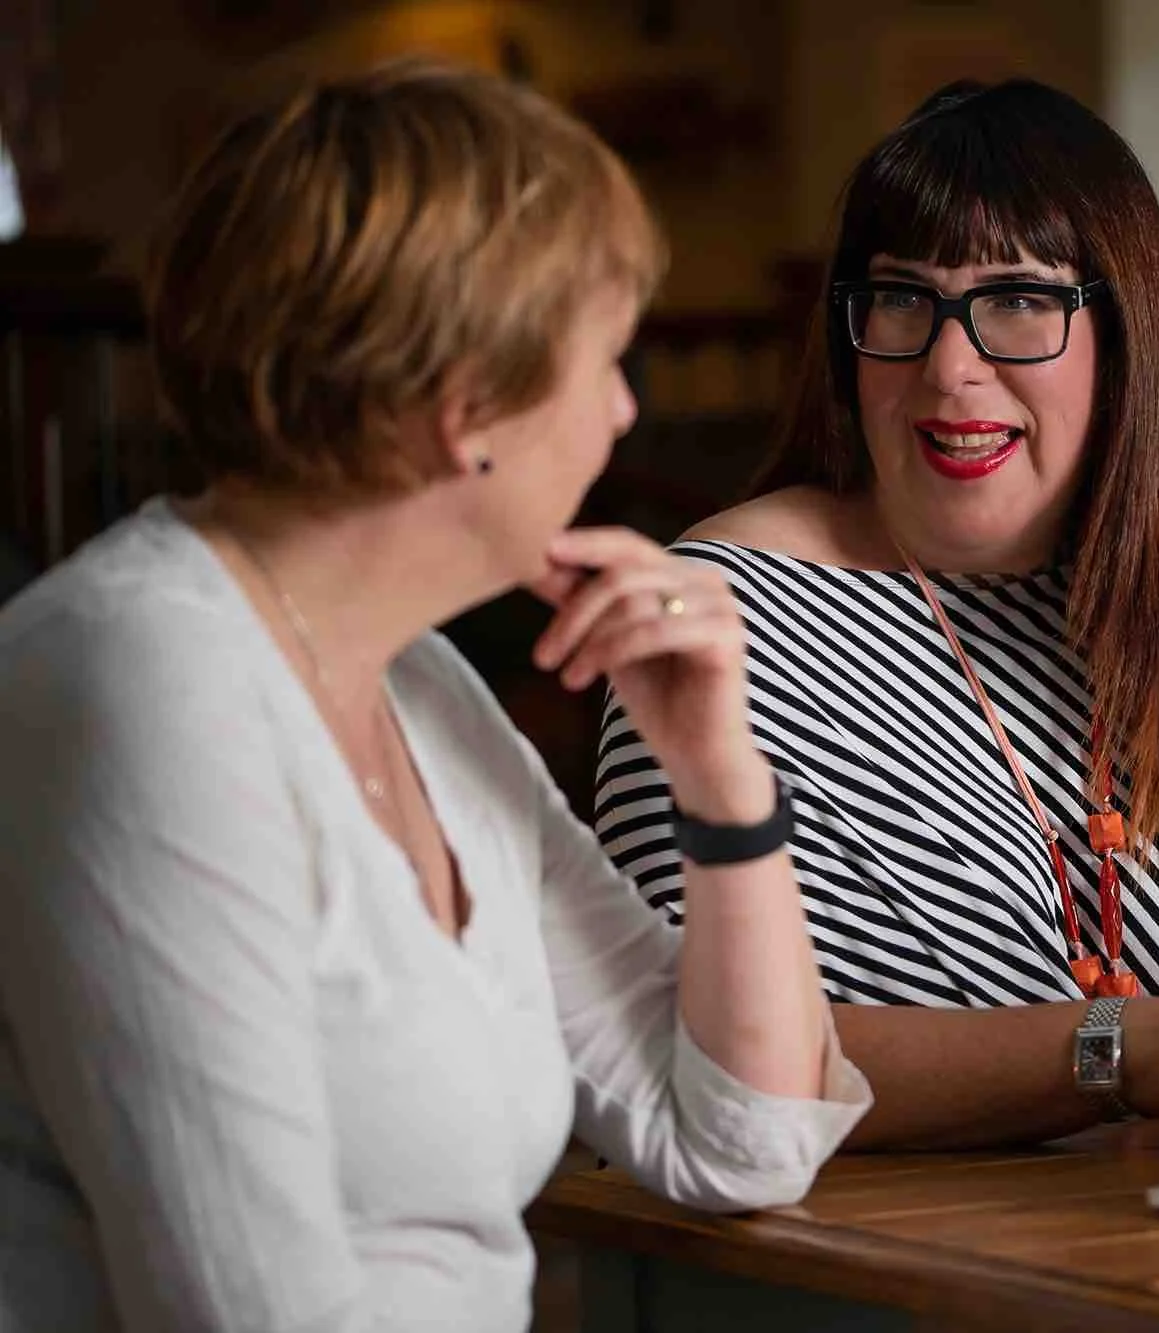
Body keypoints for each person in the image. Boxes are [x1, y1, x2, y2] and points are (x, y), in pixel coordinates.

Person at [0, 61, 868, 1332]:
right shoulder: (142, 684)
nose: (625, 412)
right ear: (468, 413)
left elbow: (741, 1139)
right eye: (605, 360)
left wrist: (723, 783)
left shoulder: (415, 678)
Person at [595, 78, 1159, 1152]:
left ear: (1124, 333)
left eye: (1019, 300)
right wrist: (1129, 1050)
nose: (950, 367)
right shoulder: (715, 613)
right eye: (901, 300)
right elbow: (710, 1059)